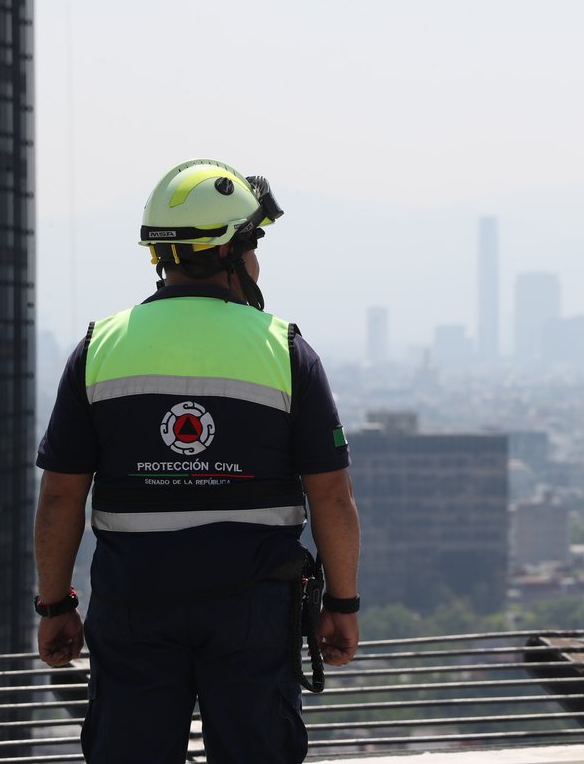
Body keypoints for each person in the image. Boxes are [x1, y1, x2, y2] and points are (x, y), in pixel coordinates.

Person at [34, 159, 361, 763]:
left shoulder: (98, 348)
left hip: (134, 602)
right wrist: (342, 604)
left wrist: (55, 606)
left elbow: (60, 497)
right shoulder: (285, 350)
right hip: (254, 607)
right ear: (232, 252)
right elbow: (332, 496)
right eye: (253, 244)